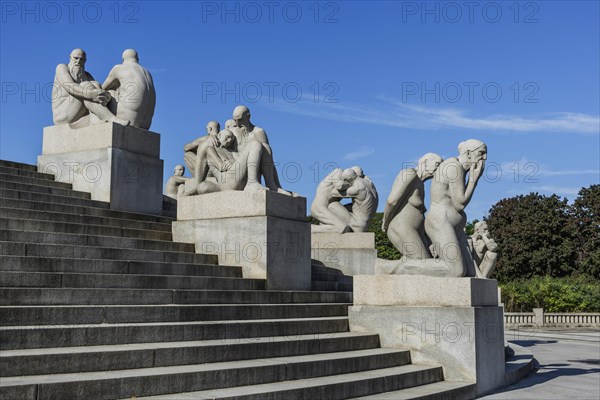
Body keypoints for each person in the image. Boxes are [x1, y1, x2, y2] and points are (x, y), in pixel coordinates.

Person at [424, 140, 486, 277]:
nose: (485, 158)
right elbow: (460, 204)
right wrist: (473, 180)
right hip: (440, 222)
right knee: (456, 271)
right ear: (469, 154)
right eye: (481, 153)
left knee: (470, 273)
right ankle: (396, 267)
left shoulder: (461, 169)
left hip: (453, 224)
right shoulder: (453, 166)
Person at [382, 153, 443, 260]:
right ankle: (381, 265)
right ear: (425, 163)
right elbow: (392, 201)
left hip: (415, 231)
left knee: (429, 263)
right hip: (403, 228)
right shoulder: (409, 173)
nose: (439, 169)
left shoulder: (420, 183)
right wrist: (385, 221)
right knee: (425, 264)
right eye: (437, 164)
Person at [52, 48, 128, 126]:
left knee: (98, 86)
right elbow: (70, 86)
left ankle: (98, 118)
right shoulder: (62, 68)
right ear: (70, 58)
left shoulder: (87, 75)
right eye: (76, 58)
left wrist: (105, 95)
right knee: (85, 86)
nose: (78, 61)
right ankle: (110, 118)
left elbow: (98, 89)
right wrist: (90, 94)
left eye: (81, 59)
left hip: (78, 111)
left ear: (85, 61)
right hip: (62, 114)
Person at [102, 49, 156, 129]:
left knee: (109, 92)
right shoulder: (148, 73)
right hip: (146, 124)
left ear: (123, 59)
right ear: (137, 59)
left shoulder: (118, 68)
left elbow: (103, 88)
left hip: (127, 120)